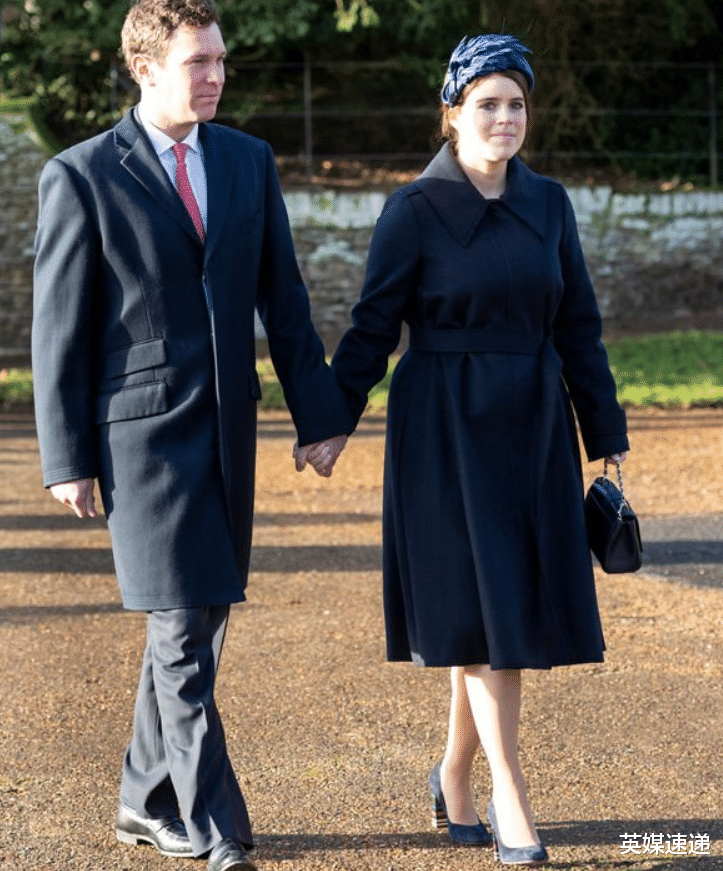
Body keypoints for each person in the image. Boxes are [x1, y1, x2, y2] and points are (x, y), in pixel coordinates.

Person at [31, 1, 351, 869]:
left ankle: (144, 798)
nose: (213, 76)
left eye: (218, 61)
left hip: (228, 429)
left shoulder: (247, 161)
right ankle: (217, 826)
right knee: (178, 628)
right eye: (196, 62)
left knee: (199, 620)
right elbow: (58, 326)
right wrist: (66, 457)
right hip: (137, 438)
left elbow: (281, 298)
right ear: (145, 68)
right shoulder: (82, 173)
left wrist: (319, 416)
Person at [325, 33, 630, 866]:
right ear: (452, 112)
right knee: (485, 613)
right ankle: (510, 796)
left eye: (516, 103)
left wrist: (604, 434)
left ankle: (454, 775)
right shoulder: (412, 211)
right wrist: (331, 416)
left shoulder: (551, 204)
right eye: (487, 103)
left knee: (494, 612)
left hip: (532, 426)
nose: (504, 117)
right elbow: (371, 328)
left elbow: (578, 327)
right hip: (442, 430)